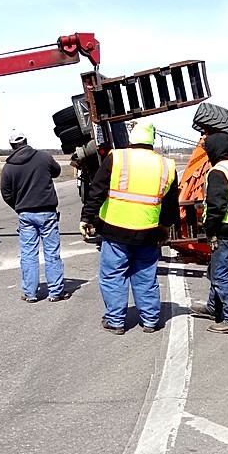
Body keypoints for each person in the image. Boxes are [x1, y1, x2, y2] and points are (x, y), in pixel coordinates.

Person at [80, 121, 178, 334]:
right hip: (149, 232)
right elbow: (170, 205)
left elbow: (97, 191)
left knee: (113, 275)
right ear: (152, 140)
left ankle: (115, 321)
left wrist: (87, 218)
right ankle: (150, 320)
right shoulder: (167, 165)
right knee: (145, 276)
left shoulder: (117, 158)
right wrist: (165, 227)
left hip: (115, 230)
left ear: (132, 138)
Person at [189, 132, 228, 334]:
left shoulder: (217, 172)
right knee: (216, 269)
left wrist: (210, 231)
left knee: (219, 275)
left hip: (224, 229)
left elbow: (216, 207)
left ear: (214, 151)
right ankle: (213, 307)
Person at [0, 129, 69, 303]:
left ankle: (30, 293)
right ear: (26, 141)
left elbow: (6, 193)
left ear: (12, 146)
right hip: (47, 212)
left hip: (25, 214)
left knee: (28, 254)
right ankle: (55, 292)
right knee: (52, 252)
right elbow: (57, 171)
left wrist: (18, 206)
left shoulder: (9, 167)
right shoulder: (43, 157)